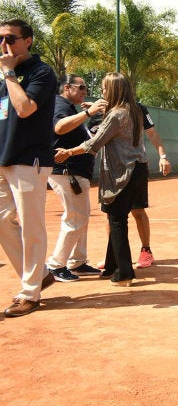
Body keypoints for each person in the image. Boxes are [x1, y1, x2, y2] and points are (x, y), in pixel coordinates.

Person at [55, 72, 148, 287]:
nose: (102, 92)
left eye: (105, 88)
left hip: (122, 172)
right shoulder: (134, 111)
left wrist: (68, 152)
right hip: (138, 170)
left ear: (113, 91)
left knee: (117, 220)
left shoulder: (115, 115)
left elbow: (93, 144)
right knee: (116, 217)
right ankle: (111, 265)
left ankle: (124, 273)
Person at [0, 18, 58, 317]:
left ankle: (30, 293)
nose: (4, 45)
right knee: (3, 223)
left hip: (29, 159)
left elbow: (24, 109)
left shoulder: (41, 72)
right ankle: (40, 275)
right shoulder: (3, 76)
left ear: (28, 41)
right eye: (1, 39)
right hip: (4, 159)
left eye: (10, 38)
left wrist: (9, 73)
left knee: (31, 227)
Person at [95, 103, 170, 271]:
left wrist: (163, 156)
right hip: (112, 171)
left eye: (106, 88)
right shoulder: (101, 109)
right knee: (111, 214)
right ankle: (112, 256)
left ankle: (146, 251)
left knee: (137, 210)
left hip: (134, 167)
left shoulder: (139, 109)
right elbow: (94, 136)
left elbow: (152, 133)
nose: (104, 92)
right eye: (103, 88)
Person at [47, 74, 106, 282]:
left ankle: (77, 261)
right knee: (74, 218)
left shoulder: (69, 108)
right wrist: (88, 113)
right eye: (80, 87)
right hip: (66, 170)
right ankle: (55, 265)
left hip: (76, 171)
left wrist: (87, 115)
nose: (84, 91)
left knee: (81, 217)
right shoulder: (59, 104)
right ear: (66, 88)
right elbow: (59, 127)